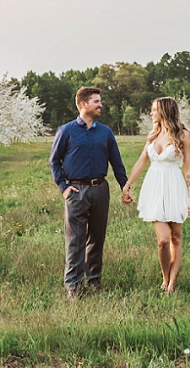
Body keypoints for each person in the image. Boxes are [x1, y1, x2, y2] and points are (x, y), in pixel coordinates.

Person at [50, 87, 131, 298]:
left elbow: (117, 163)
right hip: (76, 191)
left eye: (100, 101)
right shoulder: (66, 131)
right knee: (75, 240)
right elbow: (54, 162)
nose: (100, 104)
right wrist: (64, 188)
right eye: (96, 101)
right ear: (83, 104)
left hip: (101, 190)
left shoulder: (105, 132)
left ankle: (94, 281)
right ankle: (73, 286)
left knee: (97, 238)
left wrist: (125, 186)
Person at [122, 97, 190, 293]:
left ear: (164, 111)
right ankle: (165, 277)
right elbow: (141, 161)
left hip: (174, 186)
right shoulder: (153, 135)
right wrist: (127, 185)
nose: (151, 113)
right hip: (154, 188)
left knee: (176, 237)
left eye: (154, 110)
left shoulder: (183, 135)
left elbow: (188, 169)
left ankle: (171, 283)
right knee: (163, 240)